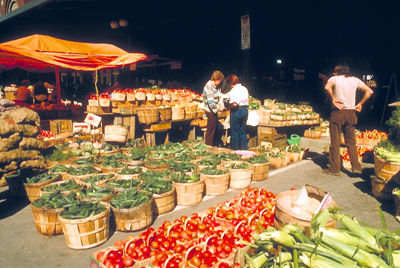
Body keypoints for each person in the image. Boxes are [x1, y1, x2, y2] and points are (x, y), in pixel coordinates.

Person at [323, 63, 373, 176]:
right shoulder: (355, 80)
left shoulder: (334, 79)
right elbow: (369, 91)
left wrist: (333, 99)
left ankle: (334, 169)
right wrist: (360, 104)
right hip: (351, 113)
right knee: (351, 142)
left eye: (335, 70)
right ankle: (356, 167)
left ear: (338, 71)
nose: (333, 72)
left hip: (338, 113)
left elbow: (327, 87)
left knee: (335, 142)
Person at [225, 74, 249, 150]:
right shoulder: (244, 88)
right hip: (245, 110)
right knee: (243, 131)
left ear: (231, 83)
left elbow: (235, 104)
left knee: (235, 132)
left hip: (237, 111)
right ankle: (244, 149)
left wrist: (227, 107)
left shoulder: (234, 90)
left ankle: (235, 150)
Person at [202, 70, 225, 146]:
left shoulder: (214, 87)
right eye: (220, 80)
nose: (220, 82)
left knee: (215, 129)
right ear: (216, 80)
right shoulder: (209, 86)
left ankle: (213, 145)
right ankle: (208, 146)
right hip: (210, 111)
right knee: (210, 131)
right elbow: (211, 102)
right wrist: (219, 108)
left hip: (213, 111)